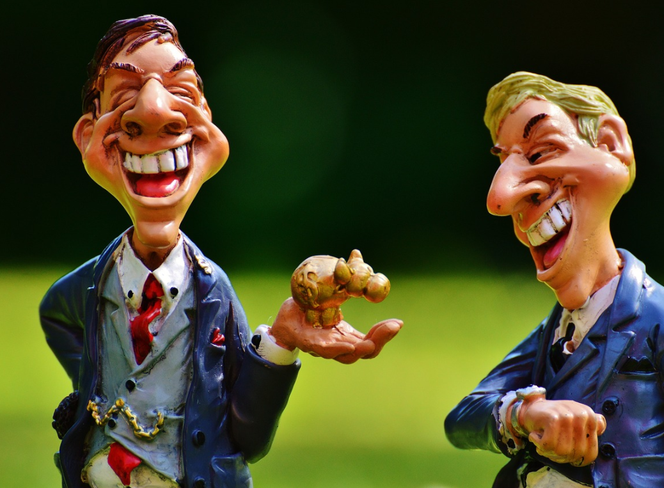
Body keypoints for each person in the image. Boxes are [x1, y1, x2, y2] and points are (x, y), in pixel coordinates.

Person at [41, 15, 401, 488]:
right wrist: (94, 390)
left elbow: (247, 435)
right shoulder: (88, 285)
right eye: (125, 97)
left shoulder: (211, 293)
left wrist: (282, 340)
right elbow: (57, 316)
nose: (154, 111)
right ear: (88, 135)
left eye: (181, 92)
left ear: (208, 124)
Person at [445, 72, 664, 487]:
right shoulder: (555, 330)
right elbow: (462, 419)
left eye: (541, 151)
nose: (501, 198)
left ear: (609, 144)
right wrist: (523, 414)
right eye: (503, 162)